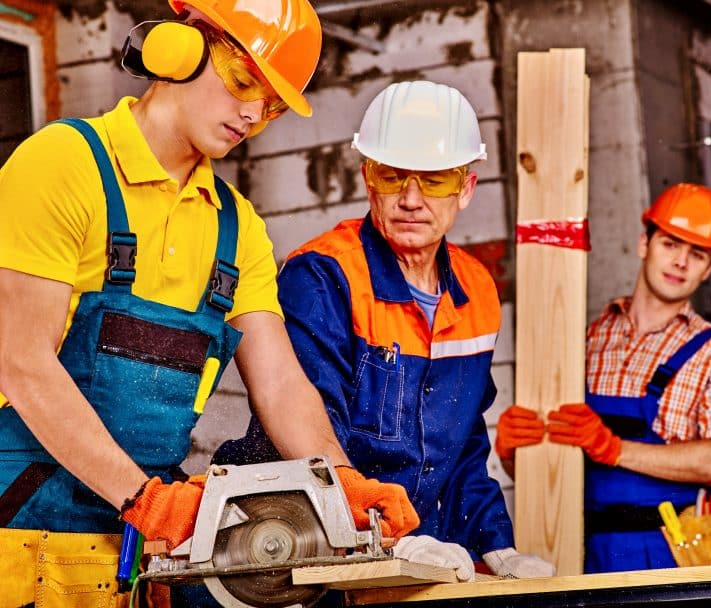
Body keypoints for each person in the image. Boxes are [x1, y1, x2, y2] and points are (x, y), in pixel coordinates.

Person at [0, 1, 419, 606]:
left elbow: (280, 386)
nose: (253, 112)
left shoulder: (237, 228)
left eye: (272, 105)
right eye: (244, 78)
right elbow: (21, 361)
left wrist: (340, 485)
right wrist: (148, 500)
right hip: (16, 536)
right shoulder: (62, 166)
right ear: (181, 48)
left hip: (137, 560)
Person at [216, 80, 555, 580]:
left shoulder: (477, 290)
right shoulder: (323, 276)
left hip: (424, 552)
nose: (411, 199)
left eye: (435, 180)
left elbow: (462, 448)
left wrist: (496, 545)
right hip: (306, 550)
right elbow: (312, 440)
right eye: (392, 176)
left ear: (465, 188)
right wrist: (387, 538)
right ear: (366, 178)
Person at [494, 182, 711, 573]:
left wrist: (615, 449)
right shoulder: (584, 342)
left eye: (697, 254)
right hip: (574, 551)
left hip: (666, 554)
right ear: (644, 243)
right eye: (670, 244)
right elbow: (555, 463)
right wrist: (512, 452)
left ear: (709, 268)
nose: (680, 262)